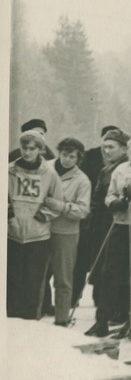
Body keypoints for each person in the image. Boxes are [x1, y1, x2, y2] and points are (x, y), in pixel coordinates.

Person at [85, 132, 131, 339]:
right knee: (110, 272)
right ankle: (101, 322)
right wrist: (114, 203)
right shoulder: (120, 169)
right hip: (120, 224)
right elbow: (110, 194)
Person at [7, 129, 63, 320]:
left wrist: (45, 214)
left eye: (32, 148)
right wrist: (8, 213)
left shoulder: (49, 173)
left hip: (38, 236)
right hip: (12, 234)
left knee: (34, 281)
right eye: (24, 148)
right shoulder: (9, 170)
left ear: (40, 150)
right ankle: (12, 320)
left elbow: (57, 202)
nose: (27, 152)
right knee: (13, 280)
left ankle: (31, 320)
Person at [72, 125, 119, 306]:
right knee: (81, 257)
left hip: (107, 215)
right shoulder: (90, 156)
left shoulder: (121, 164)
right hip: (88, 212)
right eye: (105, 143)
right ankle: (74, 296)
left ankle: (99, 298)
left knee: (104, 259)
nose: (107, 149)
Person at [46, 138, 91, 326]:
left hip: (66, 233)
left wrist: (60, 206)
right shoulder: (45, 168)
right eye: (64, 154)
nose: (67, 160)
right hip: (39, 229)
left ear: (78, 158)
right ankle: (31, 317)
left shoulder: (81, 180)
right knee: (37, 275)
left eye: (72, 157)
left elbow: (83, 210)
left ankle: (62, 318)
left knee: (63, 277)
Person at [85, 129, 129, 312]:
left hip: (117, 224)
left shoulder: (126, 170)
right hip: (101, 225)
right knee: (100, 264)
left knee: (115, 267)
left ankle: (119, 308)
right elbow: (96, 199)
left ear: (123, 149)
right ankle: (102, 306)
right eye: (104, 147)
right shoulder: (105, 170)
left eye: (111, 147)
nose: (107, 151)